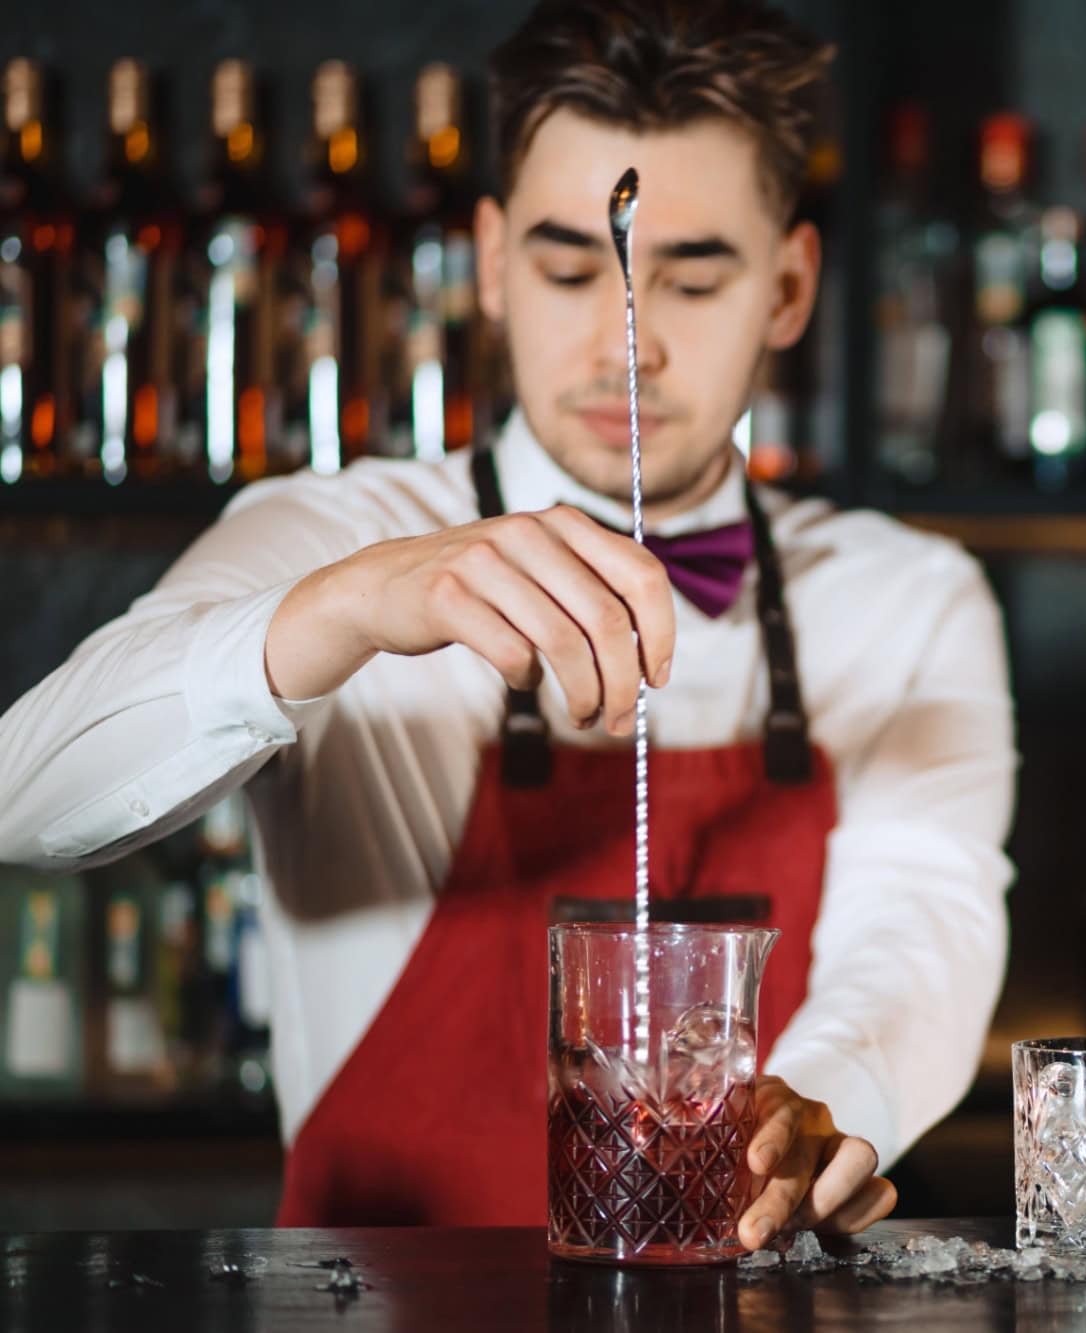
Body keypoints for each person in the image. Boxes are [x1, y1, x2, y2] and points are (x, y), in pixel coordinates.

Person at [0, 0, 1016, 1251]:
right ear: (488, 263)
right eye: (568, 267)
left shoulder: (907, 596)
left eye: (691, 277)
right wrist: (353, 606)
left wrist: (829, 1103)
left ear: (791, 287)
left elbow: (926, 920)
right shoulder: (332, 534)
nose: (623, 343)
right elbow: (24, 799)